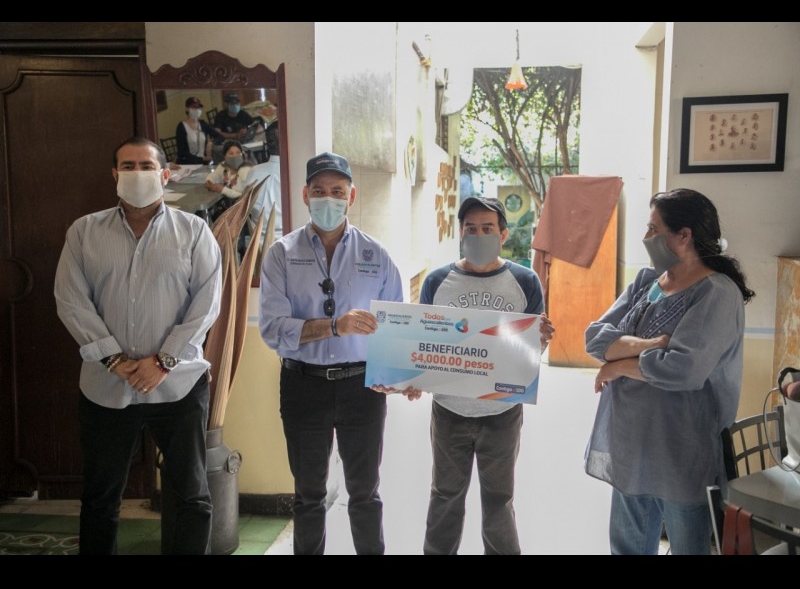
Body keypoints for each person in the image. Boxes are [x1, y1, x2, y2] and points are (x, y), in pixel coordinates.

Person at [54, 136, 222, 555]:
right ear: (114, 175)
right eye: (127, 166)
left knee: (191, 495)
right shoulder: (84, 232)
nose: (137, 173)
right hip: (107, 385)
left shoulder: (193, 231)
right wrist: (112, 358)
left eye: (146, 166)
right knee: (100, 498)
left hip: (178, 384)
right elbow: (70, 300)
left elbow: (207, 302)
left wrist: (163, 361)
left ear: (164, 175)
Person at [584, 188, 755, 555]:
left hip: (681, 449)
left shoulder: (716, 293)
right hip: (630, 440)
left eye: (653, 228)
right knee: (627, 547)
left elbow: (683, 369)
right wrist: (650, 345)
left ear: (684, 235)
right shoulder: (648, 280)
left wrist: (620, 364)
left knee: (688, 547)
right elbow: (595, 338)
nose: (646, 237)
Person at [259, 151, 410, 555]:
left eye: (338, 191)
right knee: (309, 494)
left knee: (365, 492)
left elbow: (397, 326)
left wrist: (404, 376)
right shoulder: (281, 254)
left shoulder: (377, 255)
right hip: (302, 385)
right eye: (320, 191)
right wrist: (333, 326)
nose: (329, 199)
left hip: (362, 387)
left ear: (351, 196)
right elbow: (273, 329)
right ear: (305, 195)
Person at [418, 196, 554, 555]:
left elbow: (532, 351)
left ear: (503, 235)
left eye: (487, 229)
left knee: (499, 500)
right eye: (471, 229)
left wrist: (540, 339)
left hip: (502, 412)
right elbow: (422, 341)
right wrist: (411, 378)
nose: (478, 235)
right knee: (445, 496)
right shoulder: (437, 281)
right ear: (460, 233)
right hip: (449, 411)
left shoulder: (525, 281)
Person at [246, 120, 282, 248]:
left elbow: (247, 208)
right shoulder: (298, 172)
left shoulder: (254, 172)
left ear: (267, 144)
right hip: (293, 241)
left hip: (258, 246)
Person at [175, 96, 221, 164]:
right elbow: (182, 153)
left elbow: (219, 136)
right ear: (187, 108)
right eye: (194, 107)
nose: (197, 110)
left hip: (204, 162)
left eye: (198, 107)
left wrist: (211, 143)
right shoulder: (181, 127)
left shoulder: (202, 124)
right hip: (189, 163)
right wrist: (202, 159)